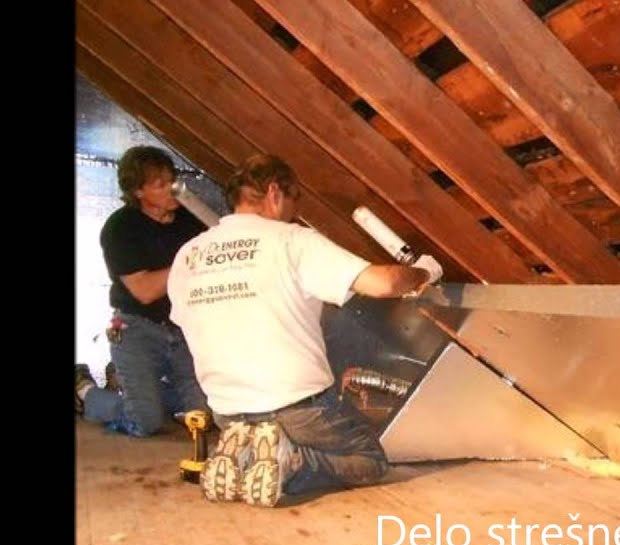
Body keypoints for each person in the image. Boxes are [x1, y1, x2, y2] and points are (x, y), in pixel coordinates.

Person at [168, 154, 439, 507]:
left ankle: (246, 454)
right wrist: (424, 271)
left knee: (281, 429)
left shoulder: (188, 255)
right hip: (296, 409)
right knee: (369, 460)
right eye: (294, 200)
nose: (294, 212)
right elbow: (384, 283)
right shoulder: (292, 241)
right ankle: (290, 462)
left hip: (227, 412)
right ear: (274, 192)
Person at [77, 146, 210, 436]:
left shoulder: (190, 220)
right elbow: (145, 291)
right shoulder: (120, 228)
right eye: (160, 185)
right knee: (144, 422)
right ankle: (85, 390)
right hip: (137, 328)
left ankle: (136, 386)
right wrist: (189, 261)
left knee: (202, 417)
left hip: (182, 328)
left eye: (172, 180)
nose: (172, 189)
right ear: (138, 191)